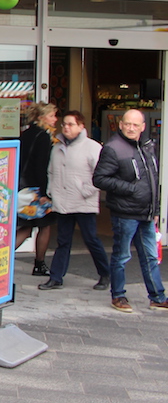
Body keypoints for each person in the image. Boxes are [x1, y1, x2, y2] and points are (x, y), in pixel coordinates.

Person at [92, 109, 168, 313]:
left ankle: (158, 297)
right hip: (125, 212)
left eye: (135, 125)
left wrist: (156, 209)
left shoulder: (147, 146)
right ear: (120, 125)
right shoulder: (113, 148)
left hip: (145, 213)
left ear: (143, 127)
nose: (131, 128)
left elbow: (153, 182)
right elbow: (99, 179)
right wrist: (130, 189)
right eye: (127, 124)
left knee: (150, 257)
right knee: (122, 256)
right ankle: (118, 296)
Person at [41, 110, 109, 291]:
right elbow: (51, 171)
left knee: (91, 239)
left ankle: (105, 274)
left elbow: (101, 174)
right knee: (63, 241)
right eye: (64, 124)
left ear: (81, 126)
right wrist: (51, 191)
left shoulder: (92, 147)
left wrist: (86, 191)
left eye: (70, 124)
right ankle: (56, 277)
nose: (66, 127)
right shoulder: (57, 148)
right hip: (62, 202)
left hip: (83, 202)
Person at [16, 102, 58, 276]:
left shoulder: (26, 134)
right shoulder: (43, 136)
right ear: (41, 118)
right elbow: (41, 167)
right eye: (51, 116)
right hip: (36, 190)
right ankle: (39, 264)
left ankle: (0, 258)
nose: (55, 119)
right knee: (44, 226)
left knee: (26, 227)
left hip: (23, 187)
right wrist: (45, 192)